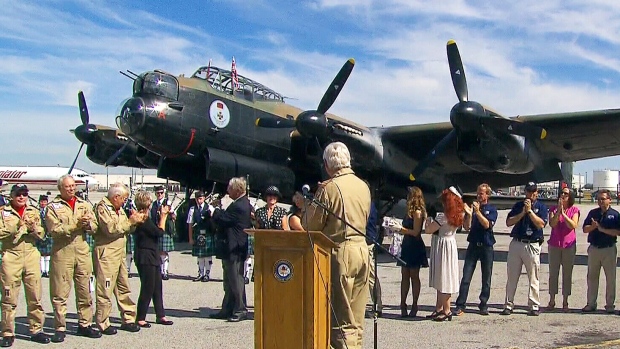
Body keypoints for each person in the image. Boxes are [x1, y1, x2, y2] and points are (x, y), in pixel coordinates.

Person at [305, 142, 370, 349]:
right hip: (362, 249)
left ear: (327, 164)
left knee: (341, 319)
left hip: (341, 251)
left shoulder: (330, 188)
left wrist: (315, 197)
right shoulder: (363, 186)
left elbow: (310, 224)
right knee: (356, 318)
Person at [45, 175, 102, 342]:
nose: (71, 189)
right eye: (67, 186)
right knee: (60, 292)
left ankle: (85, 324)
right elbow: (54, 230)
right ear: (60, 188)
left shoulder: (83, 204)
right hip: (63, 252)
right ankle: (60, 327)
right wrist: (76, 225)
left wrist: (88, 225)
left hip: (82, 251)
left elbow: (95, 227)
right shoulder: (53, 207)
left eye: (72, 186)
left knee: (84, 290)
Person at [0, 184, 50, 346]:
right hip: (11, 255)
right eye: (18, 194)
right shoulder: (3, 212)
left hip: (30, 254)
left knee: (35, 295)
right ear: (12, 196)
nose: (21, 197)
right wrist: (18, 227)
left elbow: (43, 233)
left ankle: (36, 329)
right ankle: (8, 332)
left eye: (24, 194)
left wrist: (33, 228)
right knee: (9, 297)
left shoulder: (33, 211)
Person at [93, 183, 145, 335]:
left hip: (120, 253)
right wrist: (130, 222)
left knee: (123, 287)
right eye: (123, 198)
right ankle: (103, 322)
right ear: (115, 197)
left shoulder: (118, 209)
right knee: (105, 289)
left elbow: (125, 228)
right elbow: (110, 229)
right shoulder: (103, 208)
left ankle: (128, 318)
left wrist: (135, 222)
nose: (124, 202)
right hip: (107, 255)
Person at [501, 182, 548, 316]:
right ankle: (508, 304)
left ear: (537, 193)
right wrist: (522, 212)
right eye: (528, 192)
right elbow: (509, 222)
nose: (530, 194)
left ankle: (533, 305)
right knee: (512, 276)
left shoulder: (542, 207)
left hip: (532, 244)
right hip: (517, 242)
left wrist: (530, 212)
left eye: (533, 192)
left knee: (533, 276)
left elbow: (541, 224)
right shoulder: (518, 206)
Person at [209, 177, 252, 322]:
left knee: (236, 281)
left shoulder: (240, 205)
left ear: (237, 189)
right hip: (229, 248)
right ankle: (227, 308)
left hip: (235, 248)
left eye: (229, 188)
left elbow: (224, 220)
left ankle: (240, 309)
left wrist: (214, 210)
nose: (227, 190)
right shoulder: (238, 203)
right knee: (228, 281)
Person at [455, 183, 498, 316]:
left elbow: (487, 225)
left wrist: (478, 212)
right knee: (466, 276)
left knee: (486, 277)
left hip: (486, 246)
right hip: (473, 244)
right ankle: (461, 304)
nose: (479, 195)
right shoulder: (473, 209)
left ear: (487, 195)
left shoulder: (491, 209)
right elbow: (467, 227)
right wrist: (468, 214)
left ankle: (483, 304)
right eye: (478, 193)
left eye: (482, 193)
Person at [132, 191, 174, 327]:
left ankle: (160, 314)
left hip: (152, 254)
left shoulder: (145, 217)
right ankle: (140, 317)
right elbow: (158, 232)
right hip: (145, 256)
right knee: (147, 287)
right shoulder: (142, 218)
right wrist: (163, 217)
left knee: (157, 286)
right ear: (148, 203)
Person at [423, 186, 463, 322]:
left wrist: (427, 219)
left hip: (442, 245)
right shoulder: (458, 214)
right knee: (444, 275)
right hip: (450, 243)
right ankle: (439, 307)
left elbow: (429, 230)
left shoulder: (443, 216)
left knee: (443, 276)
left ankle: (446, 310)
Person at [582, 189, 620, 313]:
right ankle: (591, 303)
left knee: (610, 278)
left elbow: (618, 232)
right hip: (594, 248)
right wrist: (593, 227)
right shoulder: (593, 213)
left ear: (609, 199)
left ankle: (610, 305)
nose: (600, 201)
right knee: (592, 277)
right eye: (598, 199)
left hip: (608, 249)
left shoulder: (615, 215)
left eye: (603, 199)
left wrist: (602, 229)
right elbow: (585, 229)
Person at [394, 186, 428, 318]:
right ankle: (403, 304)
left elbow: (415, 232)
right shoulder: (408, 211)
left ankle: (415, 304)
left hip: (415, 244)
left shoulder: (418, 212)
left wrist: (401, 229)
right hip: (407, 244)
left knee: (414, 275)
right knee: (404, 275)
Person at [547, 186, 580, 312]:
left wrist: (564, 215)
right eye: (561, 193)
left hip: (568, 245)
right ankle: (552, 299)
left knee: (567, 273)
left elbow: (573, 225)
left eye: (565, 194)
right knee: (553, 273)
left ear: (570, 196)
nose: (563, 195)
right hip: (555, 244)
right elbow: (552, 224)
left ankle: (565, 300)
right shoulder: (553, 209)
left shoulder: (574, 210)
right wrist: (558, 212)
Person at [187, 191, 216, 282]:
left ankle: (207, 274)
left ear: (204, 198)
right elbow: (190, 225)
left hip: (208, 234)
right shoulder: (192, 209)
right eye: (197, 199)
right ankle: (200, 273)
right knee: (200, 256)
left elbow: (214, 219)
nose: (199, 201)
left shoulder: (209, 207)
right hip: (198, 234)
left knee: (207, 256)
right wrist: (190, 238)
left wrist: (210, 213)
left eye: (201, 198)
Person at [151, 186, 175, 280]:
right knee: (158, 252)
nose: (159, 195)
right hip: (156, 229)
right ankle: (160, 271)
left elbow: (173, 216)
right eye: (158, 193)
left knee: (164, 252)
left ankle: (164, 271)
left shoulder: (167, 203)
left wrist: (170, 210)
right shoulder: (153, 204)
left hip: (165, 230)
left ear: (163, 193)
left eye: (161, 193)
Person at [365, 200, 383, 318]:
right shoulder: (368, 203)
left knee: (371, 276)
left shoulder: (367, 204)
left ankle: (377, 306)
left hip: (367, 241)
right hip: (365, 240)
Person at [36, 195, 52, 278]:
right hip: (39, 234)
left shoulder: (49, 211)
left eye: (44, 202)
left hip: (48, 234)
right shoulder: (36, 211)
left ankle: (47, 270)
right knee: (41, 254)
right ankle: (42, 270)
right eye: (41, 202)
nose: (43, 203)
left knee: (48, 253)